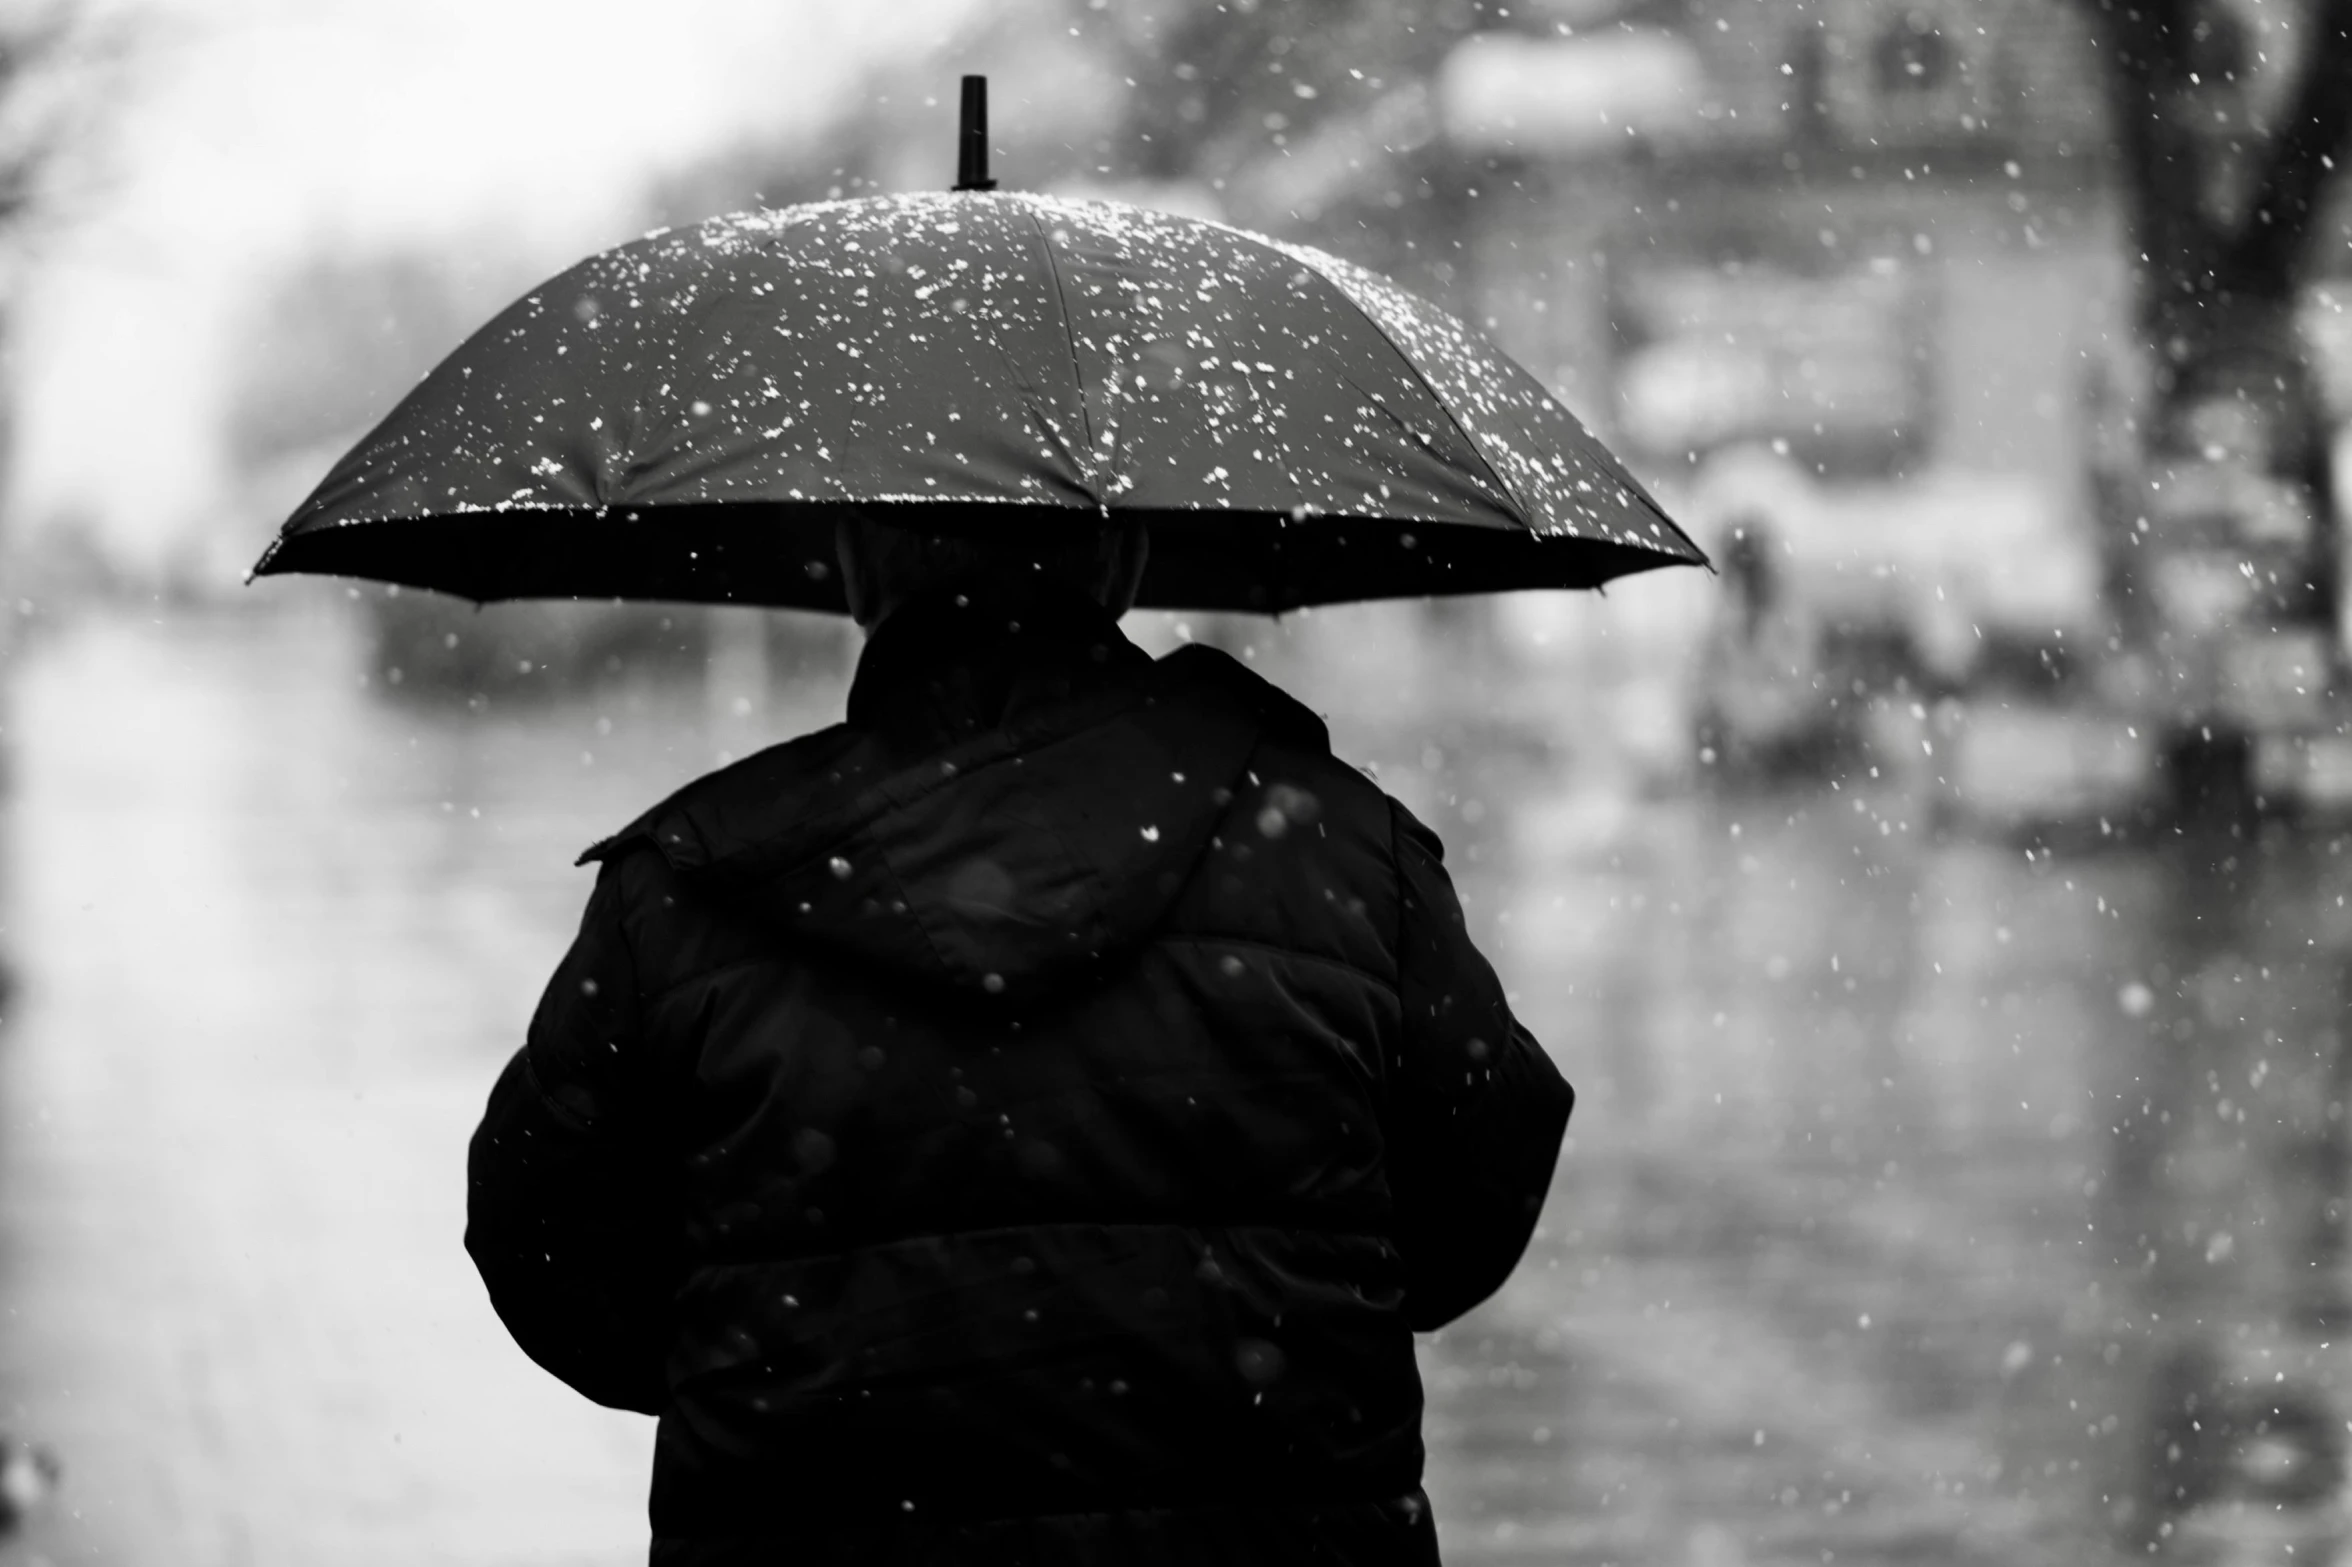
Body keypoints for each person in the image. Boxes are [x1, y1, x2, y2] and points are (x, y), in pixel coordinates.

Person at [465, 511, 1574, 1566]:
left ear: (854, 563)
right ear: (1128, 559)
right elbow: (1476, 1194)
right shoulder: (1343, 850)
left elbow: (546, 1244)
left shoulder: (689, 886)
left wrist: (778, 1361)